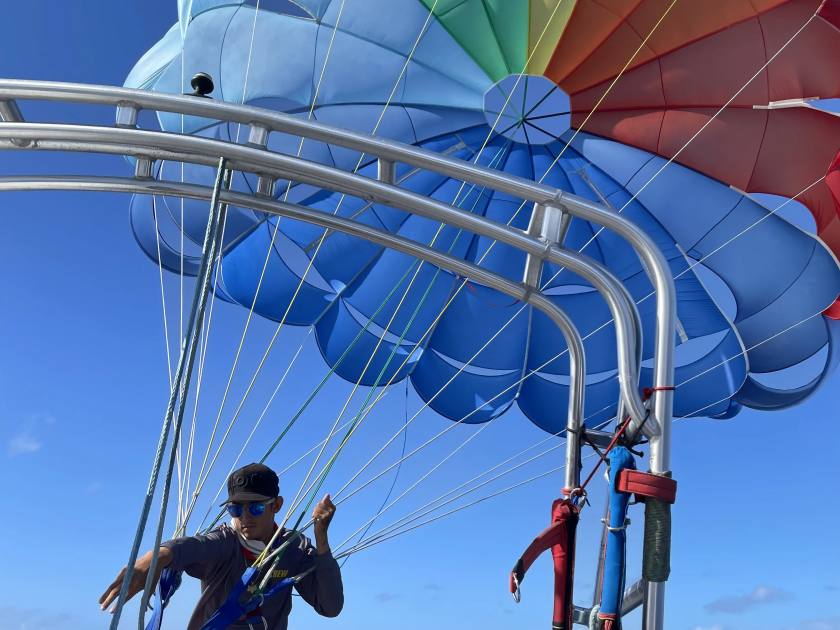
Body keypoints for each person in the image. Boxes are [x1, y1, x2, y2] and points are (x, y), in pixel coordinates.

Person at [100, 463, 343, 629]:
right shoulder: (226, 542)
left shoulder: (293, 548)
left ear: (276, 505)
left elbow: (330, 607)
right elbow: (193, 546)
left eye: (255, 508)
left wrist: (321, 537)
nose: (245, 517)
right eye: (236, 508)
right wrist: (152, 558)